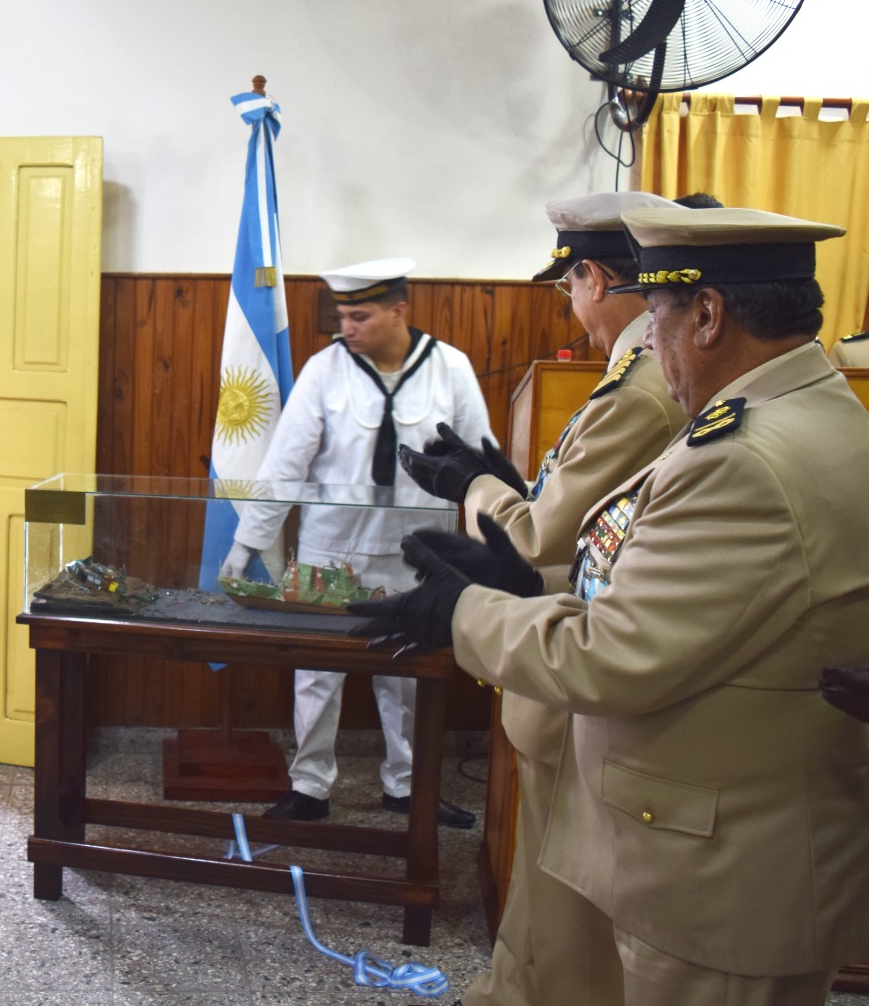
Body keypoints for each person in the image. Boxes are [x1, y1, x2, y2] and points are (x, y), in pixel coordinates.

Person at [355, 207, 869, 1004]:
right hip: (728, 833)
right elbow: (672, 595)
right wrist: (532, 588)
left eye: (656, 316)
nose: (648, 343)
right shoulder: (814, 411)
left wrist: (461, 614)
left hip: (719, 871)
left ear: (707, 315)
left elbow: (614, 656)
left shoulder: (745, 459)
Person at [398, 192, 689, 1006]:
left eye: (569, 285)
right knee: (538, 909)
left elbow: (536, 541)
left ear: (594, 278)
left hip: (579, 676)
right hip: (567, 665)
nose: (571, 304)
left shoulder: (639, 387)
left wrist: (478, 486)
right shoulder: (630, 376)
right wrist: (509, 484)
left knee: (563, 929)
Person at [222, 258, 491, 829]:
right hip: (330, 553)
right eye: (343, 315)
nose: (347, 327)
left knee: (408, 678)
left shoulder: (449, 368)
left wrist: (486, 548)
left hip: (416, 555)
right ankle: (309, 787)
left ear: (398, 311)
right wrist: (248, 543)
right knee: (317, 678)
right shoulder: (325, 371)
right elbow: (285, 464)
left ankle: (407, 787)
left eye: (360, 316)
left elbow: (481, 464)